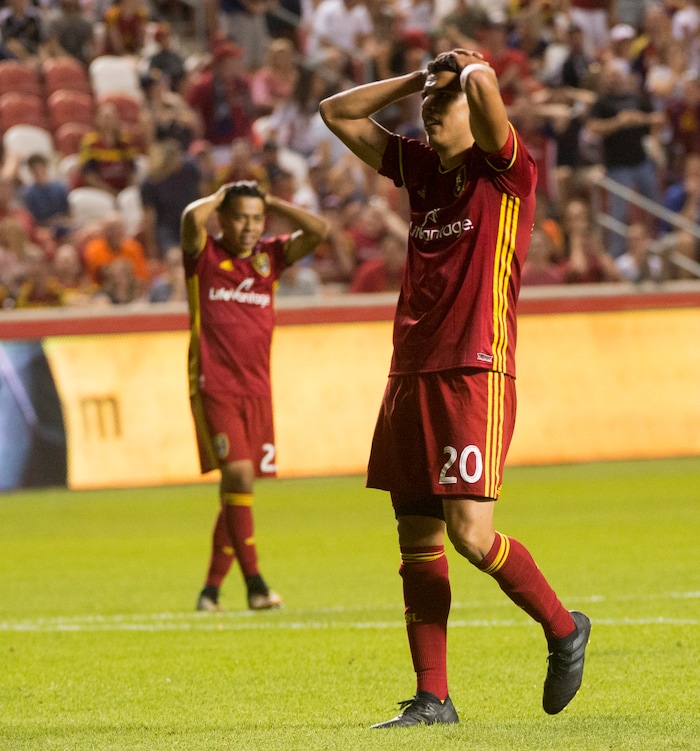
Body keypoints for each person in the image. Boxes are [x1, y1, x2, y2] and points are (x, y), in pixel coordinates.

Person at [319, 47, 591, 728]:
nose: (430, 111)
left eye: (444, 101)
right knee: (416, 537)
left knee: (471, 534)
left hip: (475, 367)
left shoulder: (505, 170)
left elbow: (488, 88)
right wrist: (419, 77)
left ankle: (563, 628)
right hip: (409, 367)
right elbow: (336, 112)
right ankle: (433, 697)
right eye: (426, 102)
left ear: (472, 107)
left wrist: (465, 71)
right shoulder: (418, 168)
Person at [181, 180, 328, 612]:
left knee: (238, 486)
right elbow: (191, 218)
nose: (248, 226)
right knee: (240, 476)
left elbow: (318, 232)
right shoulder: (203, 255)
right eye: (239, 217)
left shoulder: (270, 259)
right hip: (214, 385)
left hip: (258, 389)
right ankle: (256, 584)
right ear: (223, 218)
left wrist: (275, 202)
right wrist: (220, 194)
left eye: (255, 218)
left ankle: (210, 590)